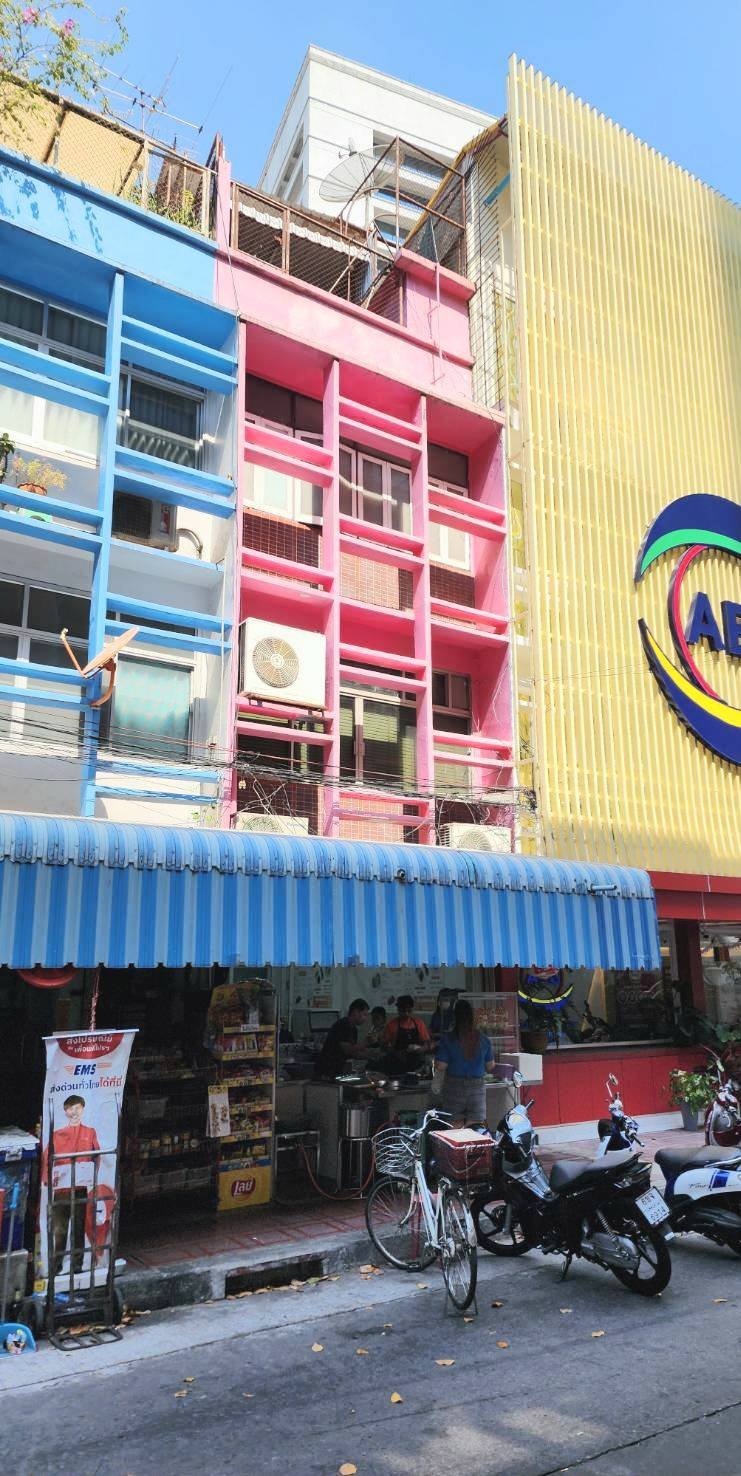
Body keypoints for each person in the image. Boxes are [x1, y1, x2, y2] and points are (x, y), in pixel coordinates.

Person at [42, 1093, 101, 1275]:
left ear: (82, 1109)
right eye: (70, 1108)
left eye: (77, 1108)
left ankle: (77, 1265)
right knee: (59, 1230)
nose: (74, 1112)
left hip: (80, 1188)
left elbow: (96, 1156)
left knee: (78, 1228)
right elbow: (47, 1157)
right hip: (61, 1189)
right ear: (65, 1111)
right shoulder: (56, 1134)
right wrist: (47, 1179)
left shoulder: (90, 1132)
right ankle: (56, 1265)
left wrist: (92, 1177)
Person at [431, 999, 494, 1125]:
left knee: (454, 1127)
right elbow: (490, 1066)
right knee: (475, 1127)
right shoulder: (483, 1039)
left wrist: (435, 1060)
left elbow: (441, 1066)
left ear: (455, 1017)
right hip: (477, 1088)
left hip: (454, 1088)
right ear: (472, 1017)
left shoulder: (448, 1039)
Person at [315, 999, 371, 1079]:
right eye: (364, 1014)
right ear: (355, 1012)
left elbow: (353, 1052)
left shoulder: (354, 1029)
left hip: (336, 1070)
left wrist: (370, 1056)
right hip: (325, 1070)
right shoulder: (343, 1025)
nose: (365, 1018)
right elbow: (347, 1050)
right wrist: (366, 1042)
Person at [382, 995, 432, 1069]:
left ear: (412, 1009)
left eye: (409, 1011)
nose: (406, 1014)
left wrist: (420, 1049)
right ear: (398, 1010)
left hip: (417, 1064)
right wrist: (395, 1052)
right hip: (396, 1064)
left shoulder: (419, 1023)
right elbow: (384, 1046)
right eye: (403, 1011)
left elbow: (427, 1044)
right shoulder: (391, 1025)